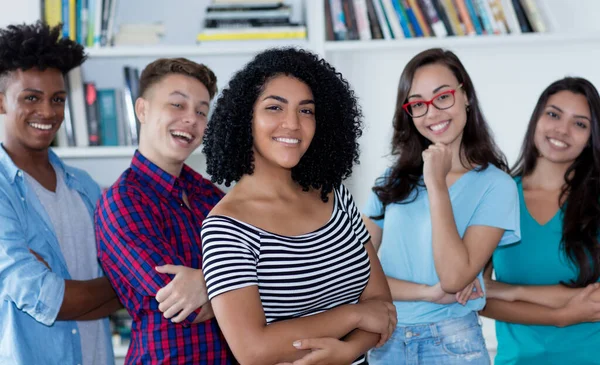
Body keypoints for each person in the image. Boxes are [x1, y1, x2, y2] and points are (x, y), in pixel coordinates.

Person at [198, 47, 396, 365]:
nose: (292, 123)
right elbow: (252, 349)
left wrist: (347, 351)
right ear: (245, 118)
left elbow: (382, 308)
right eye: (275, 107)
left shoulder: (335, 197)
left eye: (306, 111)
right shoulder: (227, 226)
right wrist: (353, 315)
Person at [362, 48, 520, 364]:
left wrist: (436, 184)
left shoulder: (497, 186)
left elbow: (453, 278)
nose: (432, 112)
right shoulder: (391, 180)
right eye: (418, 104)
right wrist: (425, 292)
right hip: (385, 339)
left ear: (466, 95)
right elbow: (354, 271)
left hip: (451, 343)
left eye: (442, 96)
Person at [95, 58, 233, 364]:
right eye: (177, 105)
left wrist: (204, 282)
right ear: (142, 110)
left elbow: (271, 271)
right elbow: (187, 307)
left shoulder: (209, 195)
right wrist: (234, 284)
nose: (191, 119)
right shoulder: (123, 202)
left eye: (201, 111)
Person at [0, 22, 117, 365]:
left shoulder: (85, 187)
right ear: (2, 102)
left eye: (58, 99)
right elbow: (45, 297)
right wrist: (124, 282)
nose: (48, 112)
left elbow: (59, 297)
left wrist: (76, 292)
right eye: (31, 98)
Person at [481, 77, 600, 365]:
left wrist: (510, 291)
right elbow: (473, 296)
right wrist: (561, 313)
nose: (562, 129)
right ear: (537, 118)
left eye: (580, 123)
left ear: (590, 138)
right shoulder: (495, 196)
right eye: (554, 114)